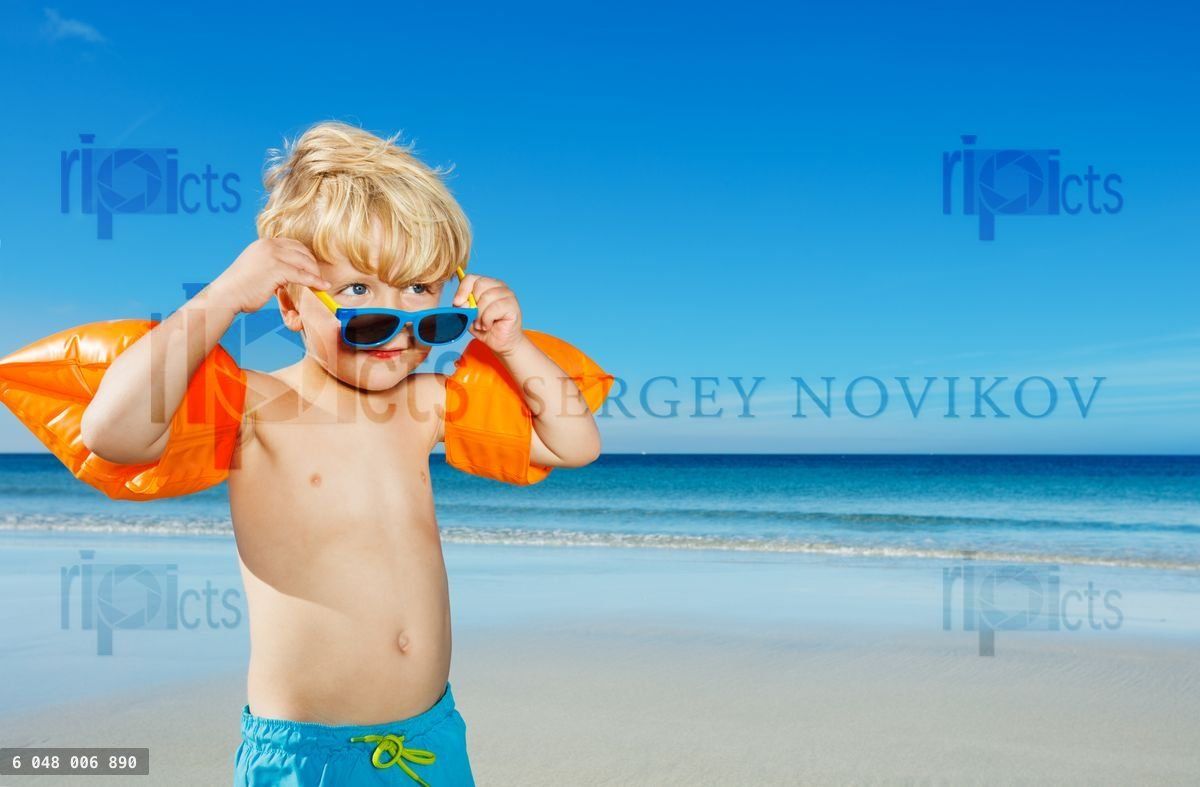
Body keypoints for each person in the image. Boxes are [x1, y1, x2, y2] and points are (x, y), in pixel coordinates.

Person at [77, 121, 604, 786]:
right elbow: (112, 431)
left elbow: (574, 441)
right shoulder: (256, 407)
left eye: (418, 289)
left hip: (429, 737)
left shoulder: (425, 404)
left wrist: (511, 344)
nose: (397, 321)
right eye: (357, 291)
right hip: (308, 755)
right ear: (290, 307)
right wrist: (222, 297)